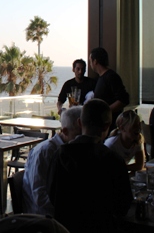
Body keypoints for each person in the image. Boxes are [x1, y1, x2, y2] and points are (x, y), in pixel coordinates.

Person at [48, 99, 132, 233]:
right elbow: (123, 205)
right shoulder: (113, 160)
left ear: (80, 123)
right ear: (107, 126)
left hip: (65, 227)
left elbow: (52, 196)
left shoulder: (61, 155)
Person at [23, 106, 82, 216]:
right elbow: (40, 197)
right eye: (78, 135)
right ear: (65, 131)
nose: (82, 140)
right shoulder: (45, 152)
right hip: (44, 217)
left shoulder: (71, 149)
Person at [89, 47, 130, 131]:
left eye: (90, 61)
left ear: (95, 61)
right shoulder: (101, 78)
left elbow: (123, 99)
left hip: (110, 126)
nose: (90, 64)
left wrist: (105, 112)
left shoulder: (111, 77)